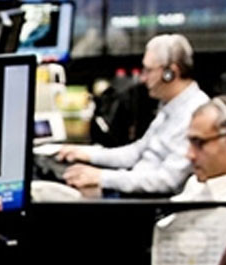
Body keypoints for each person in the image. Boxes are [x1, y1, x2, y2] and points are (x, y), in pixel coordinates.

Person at [57, 34, 208, 195]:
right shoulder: (171, 106)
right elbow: (136, 153)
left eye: (148, 70)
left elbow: (167, 180)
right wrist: (88, 154)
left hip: (151, 203)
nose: (143, 78)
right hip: (134, 188)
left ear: (170, 73)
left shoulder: (197, 114)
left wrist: (102, 177)